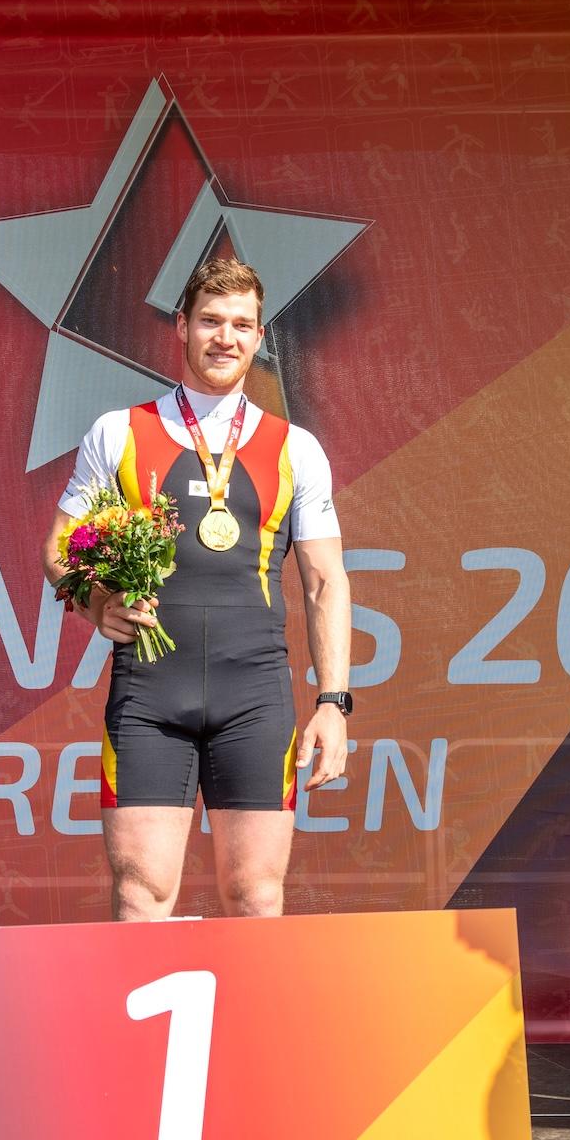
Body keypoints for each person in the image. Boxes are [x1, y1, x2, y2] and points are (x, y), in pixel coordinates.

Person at [44, 258, 351, 920]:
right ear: (182, 326)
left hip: (256, 699)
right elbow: (60, 547)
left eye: (241, 325)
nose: (225, 338)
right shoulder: (119, 432)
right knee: (141, 893)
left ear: (260, 336)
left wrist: (334, 702)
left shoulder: (296, 449)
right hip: (150, 697)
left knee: (256, 896)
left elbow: (325, 581)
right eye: (211, 321)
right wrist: (97, 604)